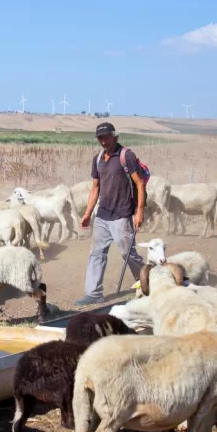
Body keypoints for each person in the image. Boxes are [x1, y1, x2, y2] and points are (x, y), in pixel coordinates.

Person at [74, 122, 146, 306]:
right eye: (100, 138)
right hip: (102, 215)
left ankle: (148, 282)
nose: (103, 141)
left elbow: (139, 183)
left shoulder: (126, 156)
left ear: (115, 137)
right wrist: (88, 213)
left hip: (122, 213)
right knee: (96, 253)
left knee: (127, 252)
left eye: (106, 137)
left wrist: (139, 211)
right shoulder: (98, 159)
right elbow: (95, 187)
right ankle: (94, 293)